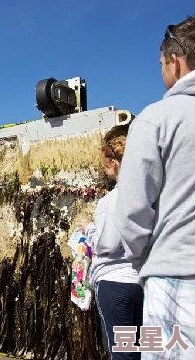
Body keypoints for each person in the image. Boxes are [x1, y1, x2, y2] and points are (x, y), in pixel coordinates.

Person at [115, 16, 195, 359]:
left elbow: (132, 210)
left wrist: (143, 256)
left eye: (161, 64)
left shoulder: (157, 118)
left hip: (174, 277)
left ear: (174, 62)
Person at [85, 124, 142, 360]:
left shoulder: (111, 201)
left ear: (113, 161)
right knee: (143, 347)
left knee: (121, 352)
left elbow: (106, 244)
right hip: (141, 282)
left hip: (114, 284)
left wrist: (89, 230)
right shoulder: (147, 195)